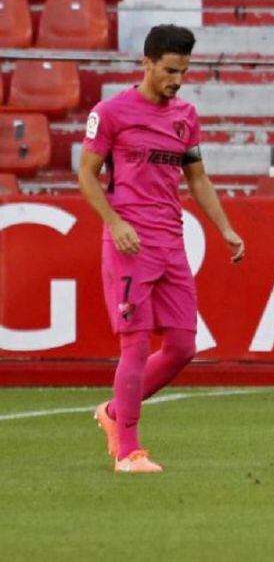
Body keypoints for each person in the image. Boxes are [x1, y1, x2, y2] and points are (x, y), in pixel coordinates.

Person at [79, 24, 245, 473]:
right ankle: (128, 451)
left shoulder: (185, 115)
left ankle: (113, 413)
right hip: (130, 242)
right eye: (170, 70)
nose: (177, 79)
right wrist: (114, 223)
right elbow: (87, 175)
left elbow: (197, 178)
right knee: (134, 344)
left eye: (184, 72)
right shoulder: (111, 113)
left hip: (172, 241)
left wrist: (224, 228)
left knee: (183, 346)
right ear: (147, 63)